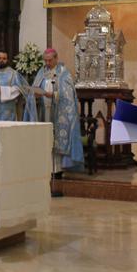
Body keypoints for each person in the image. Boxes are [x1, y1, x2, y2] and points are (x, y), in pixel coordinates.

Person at [32, 48, 83, 177]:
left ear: (56, 58)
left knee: (57, 140)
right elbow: (35, 88)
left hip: (59, 112)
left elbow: (69, 95)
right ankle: (46, 169)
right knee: (47, 140)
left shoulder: (64, 73)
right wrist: (35, 95)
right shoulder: (41, 72)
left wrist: (53, 95)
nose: (47, 63)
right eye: (45, 60)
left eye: (49, 60)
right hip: (44, 111)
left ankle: (57, 170)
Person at [0, 51, 36, 121]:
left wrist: (2, 90)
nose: (1, 60)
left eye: (4, 58)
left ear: (7, 60)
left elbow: (18, 89)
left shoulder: (13, 74)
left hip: (7, 111)